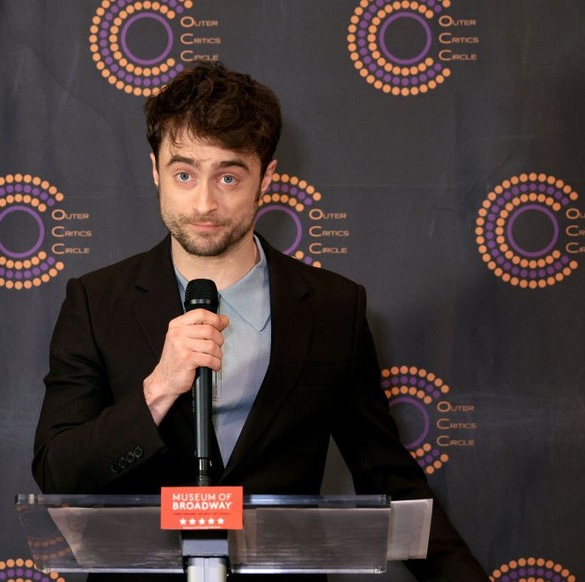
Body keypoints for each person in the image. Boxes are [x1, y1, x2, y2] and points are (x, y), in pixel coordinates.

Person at [32, 62, 487, 581]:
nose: (205, 202)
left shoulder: (333, 307)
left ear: (266, 178)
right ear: (155, 171)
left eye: (228, 176)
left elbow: (387, 472)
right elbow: (57, 471)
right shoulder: (95, 301)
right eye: (184, 174)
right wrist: (157, 389)